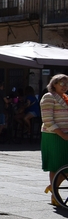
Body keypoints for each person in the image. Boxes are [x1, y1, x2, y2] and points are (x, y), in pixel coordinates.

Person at [40, 74, 68, 205]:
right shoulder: (48, 97)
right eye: (62, 83)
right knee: (55, 165)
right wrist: (62, 135)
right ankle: (55, 196)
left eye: (66, 84)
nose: (65, 86)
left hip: (65, 135)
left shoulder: (66, 98)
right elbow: (47, 120)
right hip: (53, 136)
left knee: (65, 166)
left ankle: (53, 187)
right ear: (54, 84)